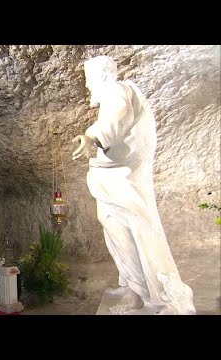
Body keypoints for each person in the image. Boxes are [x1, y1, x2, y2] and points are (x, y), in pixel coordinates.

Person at [72, 55, 196, 315]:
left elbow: (118, 118)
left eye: (89, 79)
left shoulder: (117, 91)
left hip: (125, 178)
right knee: (119, 231)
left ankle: (161, 297)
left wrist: (91, 136)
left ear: (102, 76)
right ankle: (134, 289)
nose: (87, 86)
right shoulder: (114, 95)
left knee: (136, 232)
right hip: (114, 177)